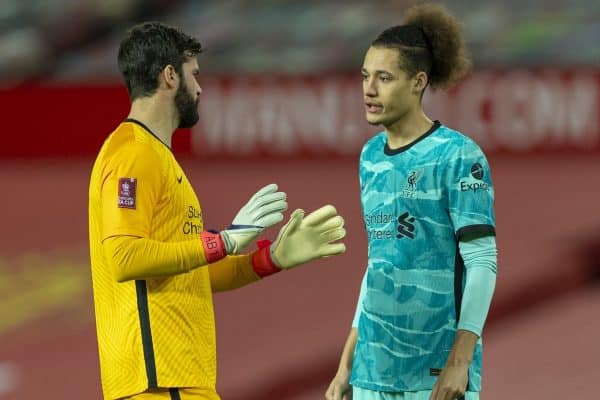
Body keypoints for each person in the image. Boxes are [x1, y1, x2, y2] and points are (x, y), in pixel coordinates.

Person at [88, 21, 346, 400]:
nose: (200, 88)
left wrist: (270, 258)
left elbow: (190, 274)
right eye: (194, 75)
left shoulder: (156, 157)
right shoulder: (133, 154)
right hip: (158, 381)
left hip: (178, 380)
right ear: (170, 76)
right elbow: (124, 258)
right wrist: (222, 241)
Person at [325, 4, 497, 400]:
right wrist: (347, 363)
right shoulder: (370, 158)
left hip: (434, 375)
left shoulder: (458, 156)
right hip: (372, 373)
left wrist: (460, 363)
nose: (369, 89)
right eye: (366, 76)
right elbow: (378, 265)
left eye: (384, 78)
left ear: (418, 81)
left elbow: (483, 264)